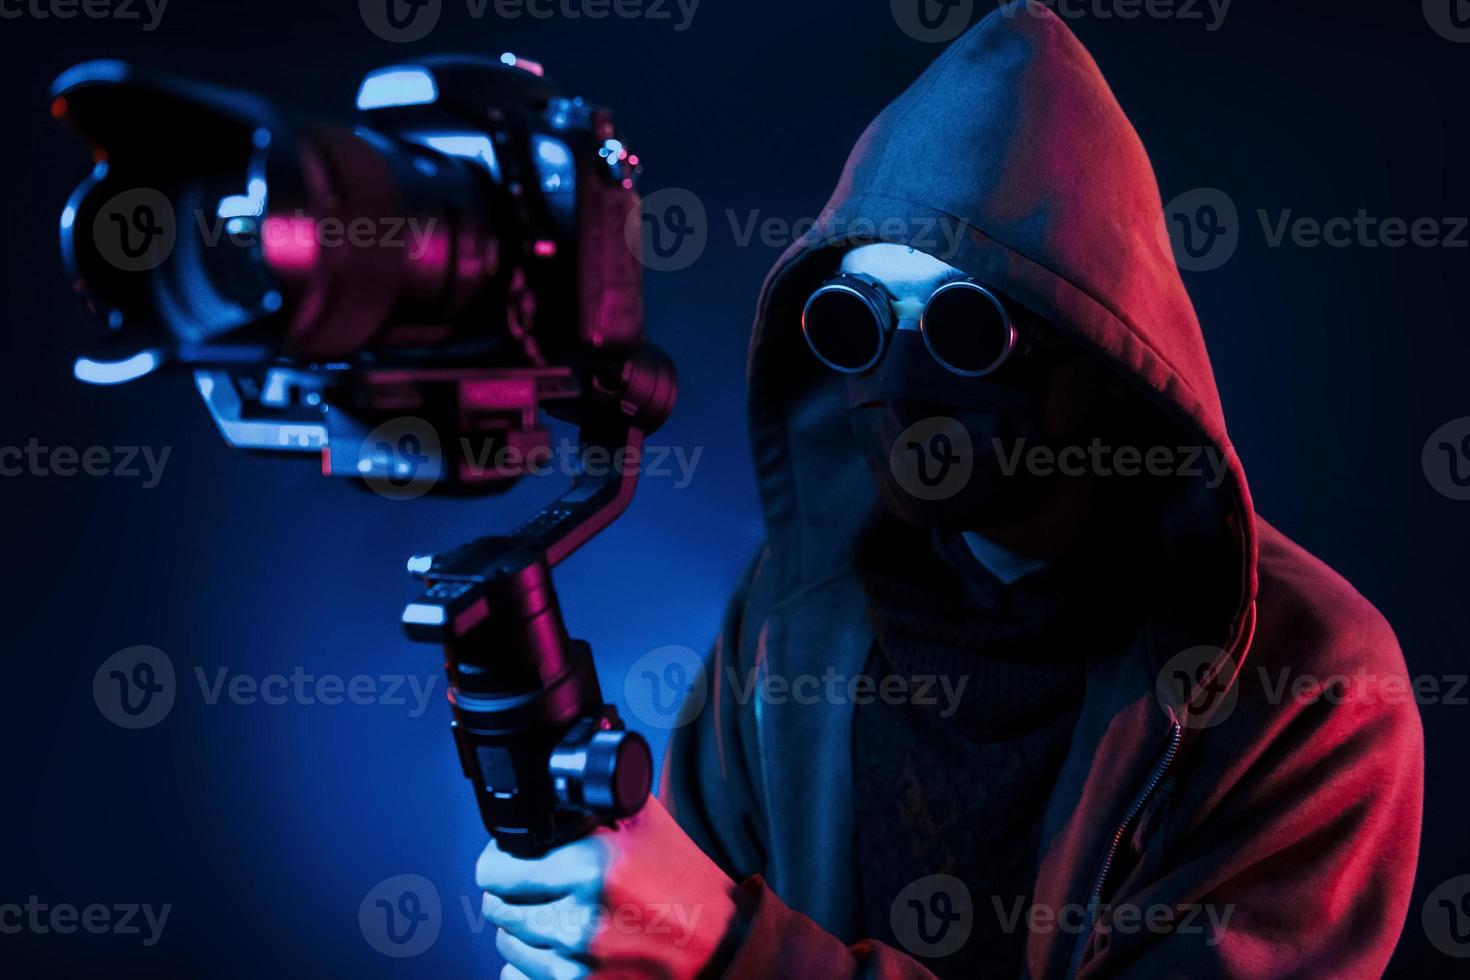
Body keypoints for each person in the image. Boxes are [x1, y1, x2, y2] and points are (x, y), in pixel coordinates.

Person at [476, 4, 1423, 977]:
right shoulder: (798, 617)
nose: (904, 378)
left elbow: (712, 937)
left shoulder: (1315, 683)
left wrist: (729, 947)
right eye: (858, 319)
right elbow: (681, 914)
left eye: (968, 327)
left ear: (1105, 356)